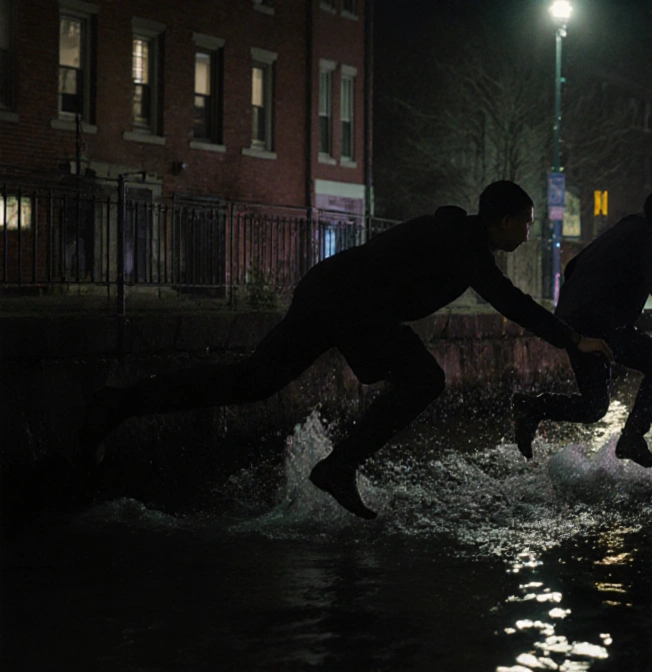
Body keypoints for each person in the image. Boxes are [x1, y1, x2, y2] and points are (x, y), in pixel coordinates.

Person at [79, 181, 613, 519]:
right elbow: (508, 300)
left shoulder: (463, 239)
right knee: (422, 380)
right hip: (346, 302)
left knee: (254, 381)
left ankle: (118, 403)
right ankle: (338, 467)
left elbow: (501, 295)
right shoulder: (465, 244)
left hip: (336, 296)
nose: (527, 231)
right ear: (502, 221)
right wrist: (571, 337)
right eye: (524, 222)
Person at [512, 187, 652, 468]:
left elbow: (574, 265)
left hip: (575, 319)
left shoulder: (625, 228)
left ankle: (532, 407)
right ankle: (632, 437)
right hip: (601, 324)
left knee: (594, 407)